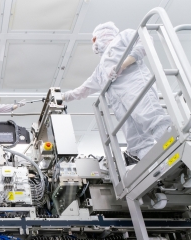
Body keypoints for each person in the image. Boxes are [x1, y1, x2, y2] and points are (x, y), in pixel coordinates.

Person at [62, 22, 172, 163]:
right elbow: (83, 90)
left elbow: (145, 41)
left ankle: (177, 152)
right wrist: (63, 96)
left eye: (93, 39)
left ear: (97, 37)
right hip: (121, 107)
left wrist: (124, 64)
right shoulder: (100, 69)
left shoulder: (123, 36)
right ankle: (159, 167)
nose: (93, 43)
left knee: (153, 120)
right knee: (138, 142)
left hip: (136, 89)